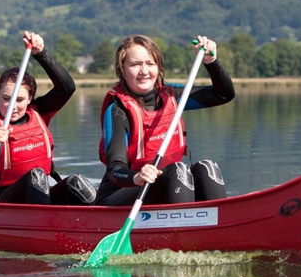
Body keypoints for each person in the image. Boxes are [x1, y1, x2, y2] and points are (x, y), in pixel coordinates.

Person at [97, 35, 234, 206]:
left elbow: (223, 95)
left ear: (159, 67)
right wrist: (137, 176)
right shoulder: (118, 111)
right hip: (119, 194)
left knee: (208, 168)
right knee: (178, 171)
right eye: (135, 64)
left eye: (150, 63)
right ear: (122, 69)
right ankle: (181, 222)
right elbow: (115, 170)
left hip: (169, 185)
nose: (144, 71)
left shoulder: (171, 96)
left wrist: (211, 62)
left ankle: (219, 220)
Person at [0, 32, 96, 205]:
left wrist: (41, 53)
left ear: (30, 99)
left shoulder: (38, 112)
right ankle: (44, 219)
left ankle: (98, 220)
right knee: (35, 175)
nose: (12, 106)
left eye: (19, 100)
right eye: (6, 98)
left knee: (77, 184)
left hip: (39, 195)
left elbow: (67, 88)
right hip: (4, 199)